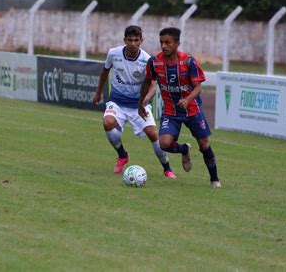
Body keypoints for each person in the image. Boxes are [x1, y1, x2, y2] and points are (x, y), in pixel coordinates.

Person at [138, 27, 221, 188]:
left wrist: (188, 99)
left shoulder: (188, 62)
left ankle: (214, 179)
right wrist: (141, 102)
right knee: (164, 144)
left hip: (192, 110)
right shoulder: (154, 62)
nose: (163, 46)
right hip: (171, 111)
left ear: (177, 43)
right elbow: (147, 81)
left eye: (167, 42)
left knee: (204, 144)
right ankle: (184, 149)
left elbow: (198, 88)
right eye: (161, 42)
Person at [93, 25, 175, 178]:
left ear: (141, 41)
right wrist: (98, 92)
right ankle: (122, 155)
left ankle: (167, 168)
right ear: (124, 40)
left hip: (138, 105)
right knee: (107, 122)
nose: (132, 43)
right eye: (129, 40)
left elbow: (153, 84)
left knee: (152, 134)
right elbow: (105, 71)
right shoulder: (113, 53)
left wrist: (146, 99)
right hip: (117, 102)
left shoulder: (147, 59)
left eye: (136, 40)